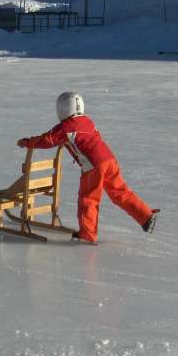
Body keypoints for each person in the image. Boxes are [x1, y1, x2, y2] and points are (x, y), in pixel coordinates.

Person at [17, 92, 159, 244]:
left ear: (63, 109)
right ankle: (146, 215)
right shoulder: (87, 121)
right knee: (121, 193)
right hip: (109, 160)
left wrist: (28, 142)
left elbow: (47, 140)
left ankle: (88, 233)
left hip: (93, 165)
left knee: (88, 198)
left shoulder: (67, 127)